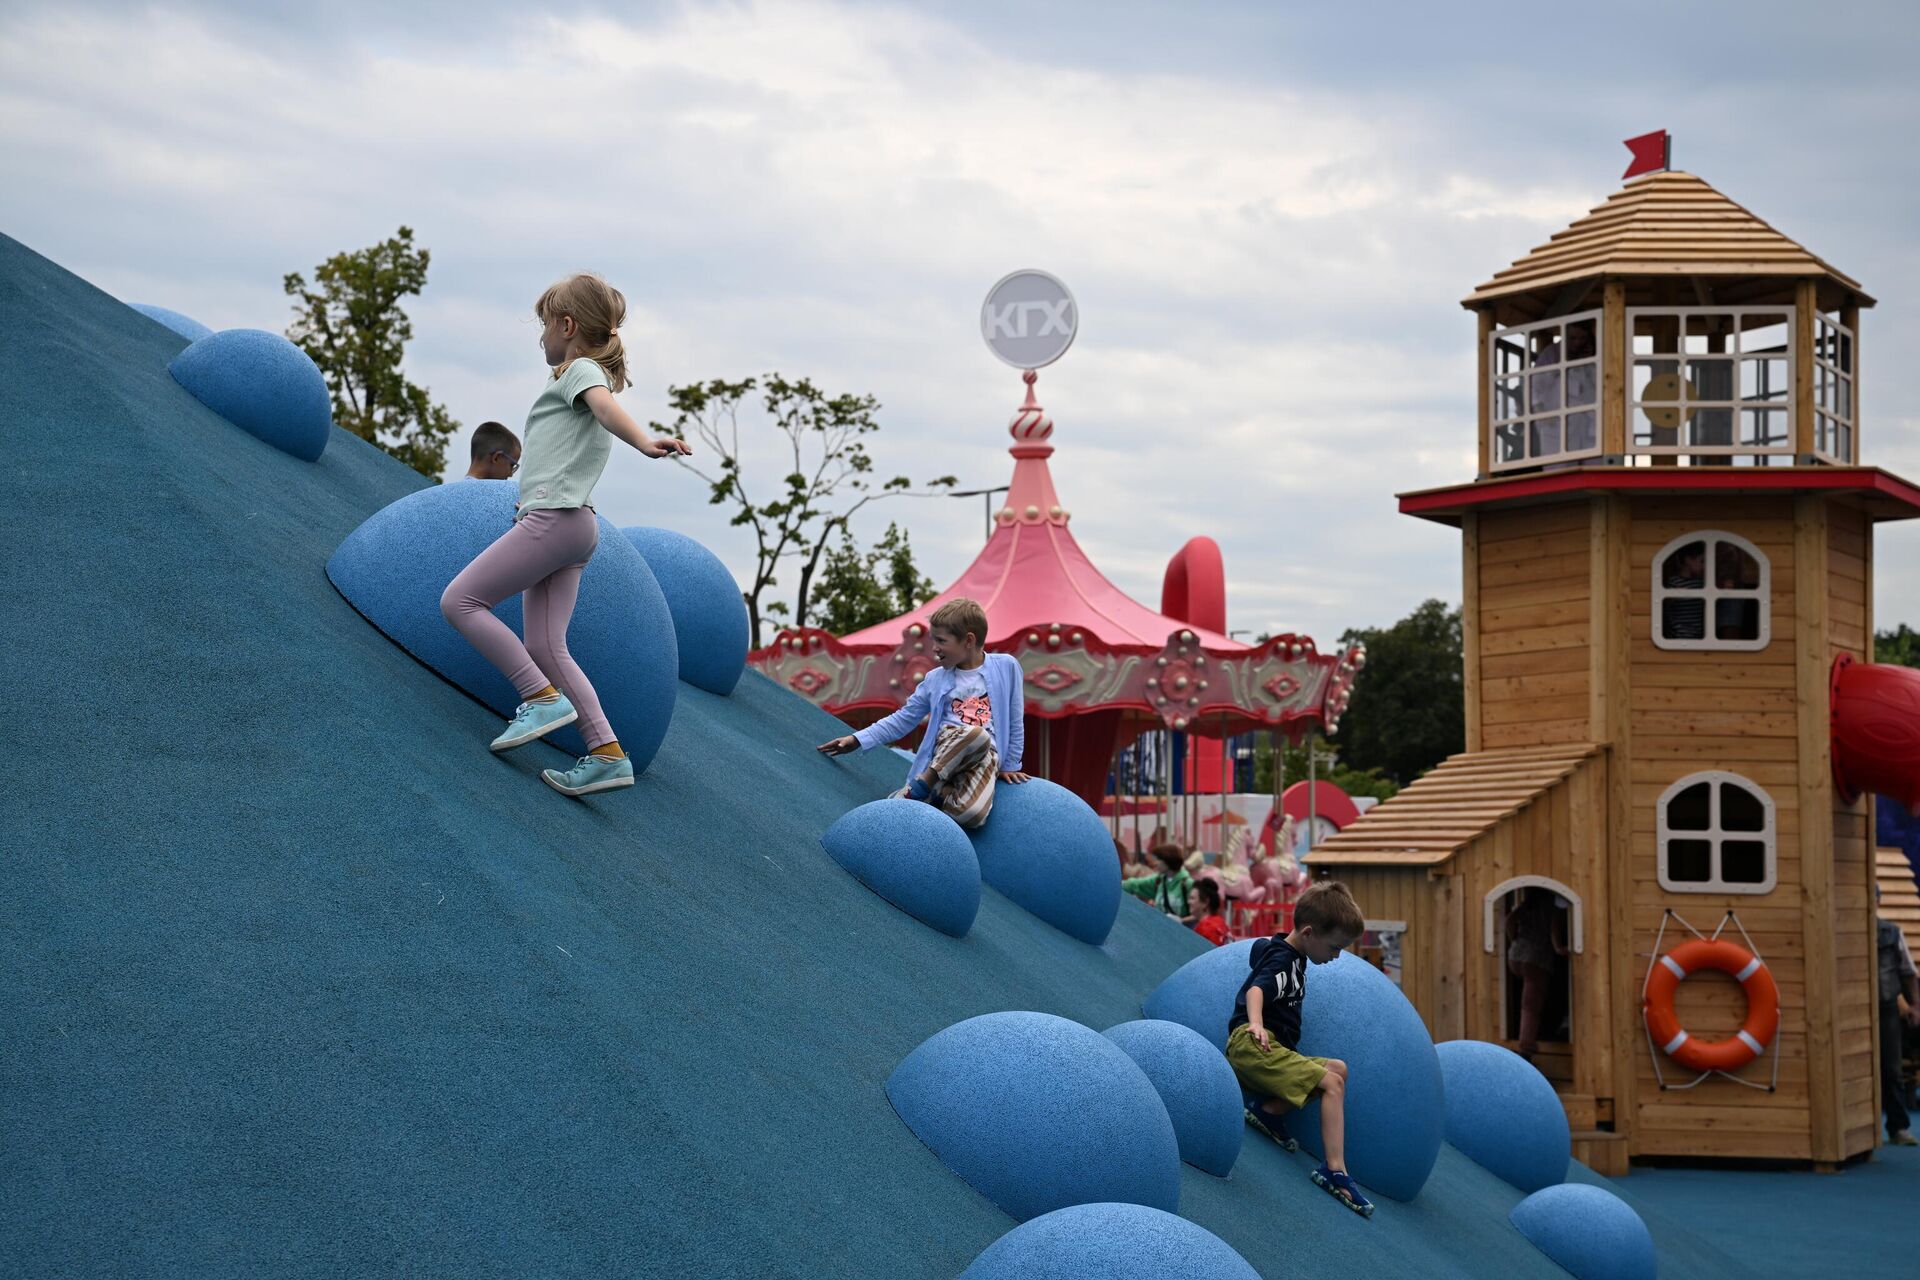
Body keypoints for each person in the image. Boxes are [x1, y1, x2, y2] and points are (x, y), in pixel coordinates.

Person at [439, 273, 692, 798]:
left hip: (554, 520)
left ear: (567, 325)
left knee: (461, 601)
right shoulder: (578, 375)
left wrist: (645, 442)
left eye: (544, 326)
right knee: (546, 644)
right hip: (578, 526)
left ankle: (538, 697)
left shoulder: (579, 370)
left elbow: (603, 406)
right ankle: (605, 753)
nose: (540, 337)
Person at [1227, 879, 1373, 1217]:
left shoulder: (1292, 954)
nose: (1337, 956)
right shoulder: (1284, 957)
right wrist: (1256, 1024)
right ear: (1308, 933)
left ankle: (1269, 1112)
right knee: (1331, 1084)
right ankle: (1335, 1170)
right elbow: (1256, 991)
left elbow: (1260, 953)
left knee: (1338, 1069)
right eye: (1335, 947)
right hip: (1252, 1045)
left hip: (1274, 1049)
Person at [815, 598, 1028, 827]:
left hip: (986, 756)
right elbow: (903, 719)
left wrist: (1011, 764)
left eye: (941, 641)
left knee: (973, 816)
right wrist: (858, 739)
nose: (934, 648)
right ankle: (922, 784)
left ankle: (939, 794)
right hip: (948, 747)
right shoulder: (935, 679)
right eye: (933, 640)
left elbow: (1015, 719)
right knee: (977, 735)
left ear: (968, 640)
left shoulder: (1006, 666)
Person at [1877, 886, 1920, 1145]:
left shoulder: (1892, 933)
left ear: (1878, 901)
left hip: (1886, 1008)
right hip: (1852, 1009)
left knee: (1891, 1068)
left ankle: (1898, 1128)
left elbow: (1907, 971)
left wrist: (1915, 1006)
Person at [1505, 887, 1569, 1060]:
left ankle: (1520, 1037)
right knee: (1530, 1007)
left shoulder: (1526, 906)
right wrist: (1559, 948)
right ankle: (1526, 1048)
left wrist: (1515, 941)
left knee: (1523, 998)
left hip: (1516, 956)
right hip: (1536, 959)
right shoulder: (1552, 908)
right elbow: (1554, 931)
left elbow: (1509, 921)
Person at [1122, 844, 1193, 921]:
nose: (1155, 863)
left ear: (1168, 861)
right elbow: (1135, 884)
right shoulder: (1158, 881)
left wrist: (1182, 920)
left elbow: (1201, 914)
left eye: (1158, 859)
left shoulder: (1187, 884)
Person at [1661, 543, 1707, 641]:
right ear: (1688, 560)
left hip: (1698, 635)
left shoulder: (1702, 583)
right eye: (1702, 561)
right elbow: (1665, 604)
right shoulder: (1674, 581)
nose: (1705, 566)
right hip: (1678, 634)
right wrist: (1674, 594)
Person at [1192, 878, 1228, 947]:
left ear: (1205, 902)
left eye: (1192, 898)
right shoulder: (1220, 921)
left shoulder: (1205, 928)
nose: (1189, 902)